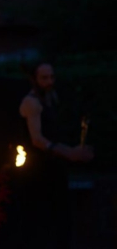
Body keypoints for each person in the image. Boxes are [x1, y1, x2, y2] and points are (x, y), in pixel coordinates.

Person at [17, 61, 93, 248]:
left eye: (52, 77)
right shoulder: (32, 103)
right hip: (38, 171)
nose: (50, 81)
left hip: (54, 169)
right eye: (44, 78)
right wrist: (69, 153)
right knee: (44, 220)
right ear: (34, 79)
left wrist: (73, 151)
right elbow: (38, 140)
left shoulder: (50, 99)